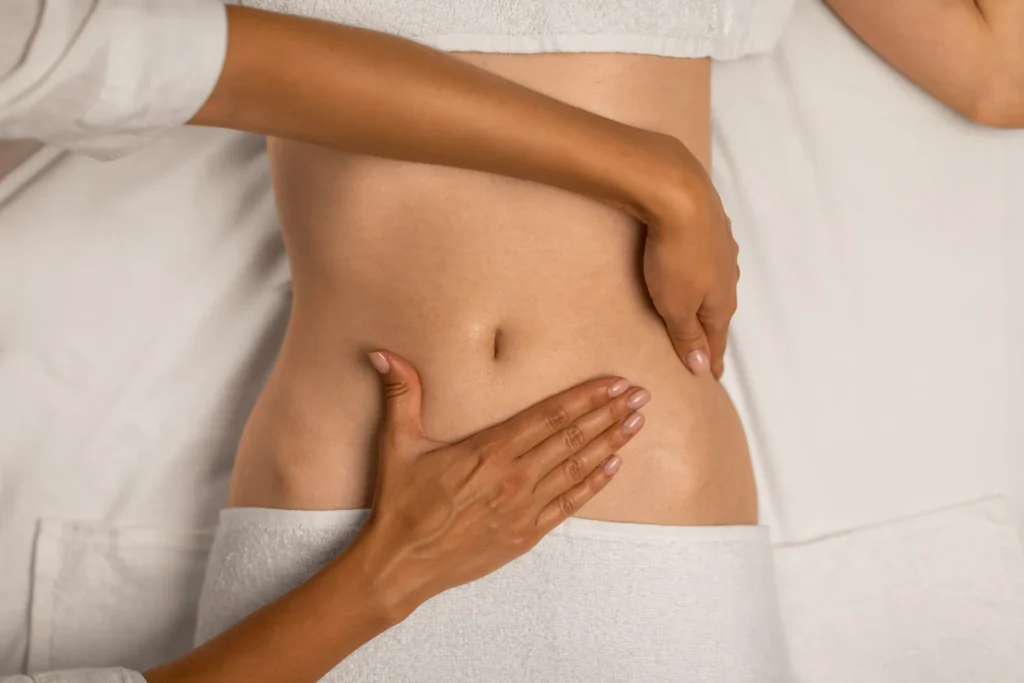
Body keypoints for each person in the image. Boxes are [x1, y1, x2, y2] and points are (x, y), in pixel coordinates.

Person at [0, 1, 751, 681]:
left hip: (634, 468)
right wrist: (385, 574)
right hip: (346, 498)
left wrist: (658, 180)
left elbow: (146, 55)